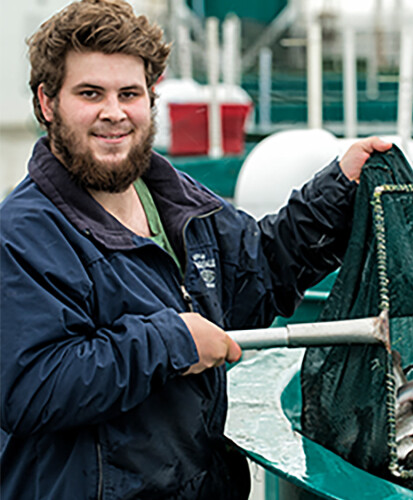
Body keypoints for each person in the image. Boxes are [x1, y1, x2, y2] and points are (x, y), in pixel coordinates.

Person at [0, 0, 391, 498]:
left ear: (150, 99)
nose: (114, 112)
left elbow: (261, 270)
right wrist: (172, 341)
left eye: (129, 93)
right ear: (48, 102)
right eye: (90, 93)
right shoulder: (23, 233)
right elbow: (31, 388)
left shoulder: (172, 196)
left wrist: (338, 189)